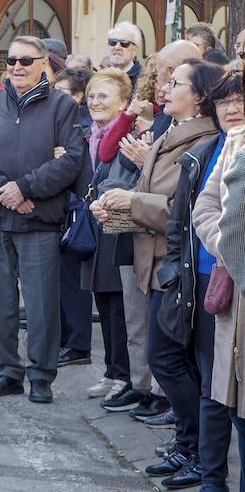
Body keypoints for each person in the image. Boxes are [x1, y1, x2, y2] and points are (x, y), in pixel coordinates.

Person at [92, 60, 223, 485]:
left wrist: (129, 201)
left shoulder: (200, 141)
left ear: (200, 96)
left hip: (178, 264)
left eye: (176, 83)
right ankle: (188, 446)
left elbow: (177, 211)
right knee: (169, 358)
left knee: (171, 360)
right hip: (157, 261)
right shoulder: (173, 132)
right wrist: (118, 202)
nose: (165, 88)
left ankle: (197, 451)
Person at [0, 35, 85, 404]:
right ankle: (7, 371)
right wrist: (7, 190)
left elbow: (71, 160)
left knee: (42, 302)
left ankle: (41, 375)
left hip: (40, 219)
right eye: (11, 60)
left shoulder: (63, 107)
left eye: (25, 61)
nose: (17, 67)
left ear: (43, 64)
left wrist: (27, 188)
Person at [157, 69, 242, 491]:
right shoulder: (209, 151)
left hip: (235, 286)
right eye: (226, 101)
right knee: (212, 388)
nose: (234, 107)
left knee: (234, 398)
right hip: (206, 285)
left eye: (241, 99)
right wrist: (174, 272)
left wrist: (229, 246)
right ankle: (211, 478)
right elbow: (185, 219)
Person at [78, 69, 139, 405]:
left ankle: (125, 376)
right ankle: (111, 371)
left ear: (124, 103)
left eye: (103, 96)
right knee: (104, 303)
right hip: (98, 231)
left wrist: (109, 197)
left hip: (118, 229)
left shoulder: (128, 138)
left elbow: (131, 181)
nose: (95, 102)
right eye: (91, 96)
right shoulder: (92, 136)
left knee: (120, 310)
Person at [194, 120, 245, 492]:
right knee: (237, 413)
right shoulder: (238, 139)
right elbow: (206, 207)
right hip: (236, 306)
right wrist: (226, 247)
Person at [52, 66, 95, 368]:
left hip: (77, 211)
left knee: (74, 283)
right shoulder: (61, 121)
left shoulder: (82, 126)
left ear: (78, 96)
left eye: (63, 92)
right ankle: (67, 339)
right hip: (62, 209)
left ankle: (78, 344)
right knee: (62, 282)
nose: (56, 97)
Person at [106, 22, 143, 90]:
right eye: (113, 42)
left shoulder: (143, 79)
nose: (117, 47)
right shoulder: (99, 77)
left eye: (124, 43)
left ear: (135, 50)